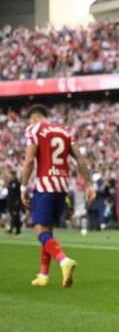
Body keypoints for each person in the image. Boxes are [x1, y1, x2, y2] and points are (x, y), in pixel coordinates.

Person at [19, 105, 95, 288]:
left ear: (35, 118)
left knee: (40, 231)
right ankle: (43, 275)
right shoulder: (64, 131)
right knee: (48, 229)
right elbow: (79, 159)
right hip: (62, 185)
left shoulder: (34, 129)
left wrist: (23, 187)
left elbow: (29, 160)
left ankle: (63, 260)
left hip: (45, 185)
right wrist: (89, 184)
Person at [6, 170, 22, 235]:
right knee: (15, 216)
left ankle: (11, 229)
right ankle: (18, 230)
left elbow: (19, 193)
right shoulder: (10, 183)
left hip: (15, 203)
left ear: (14, 175)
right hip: (10, 202)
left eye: (11, 175)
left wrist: (17, 202)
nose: (10, 176)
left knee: (14, 216)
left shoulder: (17, 183)